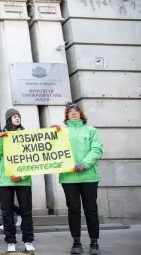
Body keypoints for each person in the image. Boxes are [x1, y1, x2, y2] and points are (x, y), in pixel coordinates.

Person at [57, 102, 103, 255]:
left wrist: (85, 163)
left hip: (89, 177)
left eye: (76, 110)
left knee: (91, 210)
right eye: (70, 111)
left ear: (81, 113)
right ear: (66, 115)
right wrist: (50, 133)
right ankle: (76, 243)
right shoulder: (61, 132)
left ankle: (94, 243)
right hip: (69, 178)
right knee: (73, 210)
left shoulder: (91, 131)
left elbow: (97, 150)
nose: (73, 113)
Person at [0, 108, 35, 253]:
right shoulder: (1, 135)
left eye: (19, 116)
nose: (17, 118)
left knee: (26, 212)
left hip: (23, 180)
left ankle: (28, 240)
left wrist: (22, 176)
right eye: (14, 116)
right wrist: (0, 140)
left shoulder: (26, 135)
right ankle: (10, 241)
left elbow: (32, 159)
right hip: (5, 180)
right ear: (8, 119)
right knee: (7, 212)